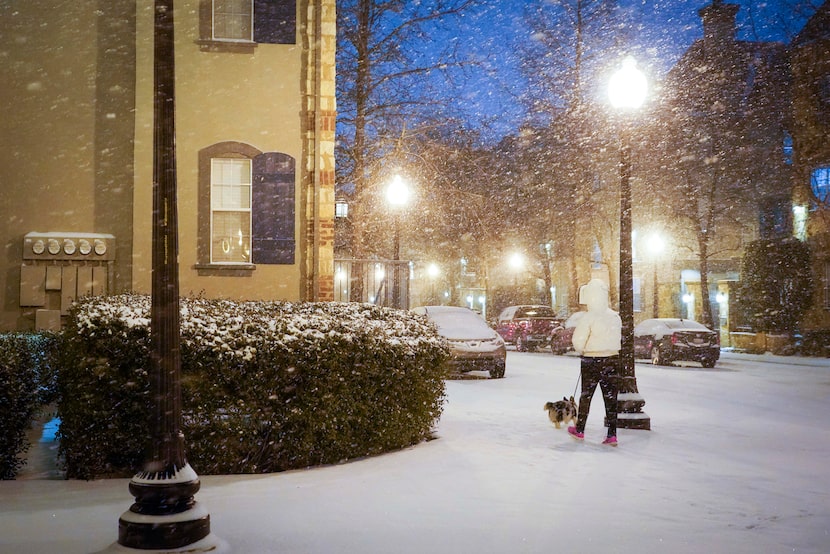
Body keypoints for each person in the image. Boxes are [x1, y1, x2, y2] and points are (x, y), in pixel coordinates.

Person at [569, 279, 621, 446]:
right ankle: (612, 434)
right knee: (611, 398)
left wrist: (583, 349)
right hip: (612, 359)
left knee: (586, 396)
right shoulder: (615, 316)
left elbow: (578, 341)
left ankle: (580, 429)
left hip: (591, 360)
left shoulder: (589, 317)